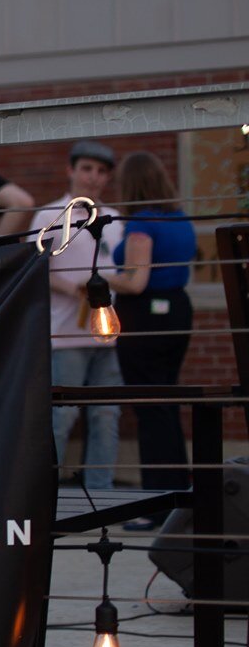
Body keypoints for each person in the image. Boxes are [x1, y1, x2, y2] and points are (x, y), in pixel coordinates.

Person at [29, 141, 124, 493]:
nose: (93, 178)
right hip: (64, 333)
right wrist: (76, 288)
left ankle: (101, 492)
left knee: (106, 415)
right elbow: (34, 270)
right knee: (61, 416)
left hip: (106, 335)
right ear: (71, 170)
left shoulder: (114, 219)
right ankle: (47, 494)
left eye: (101, 172)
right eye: (86, 169)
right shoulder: (50, 217)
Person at [105, 150, 196, 512]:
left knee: (148, 406)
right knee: (166, 403)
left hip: (146, 318)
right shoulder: (180, 218)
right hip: (177, 312)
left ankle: (155, 502)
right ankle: (178, 494)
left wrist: (97, 278)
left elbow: (136, 281)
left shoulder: (141, 223)